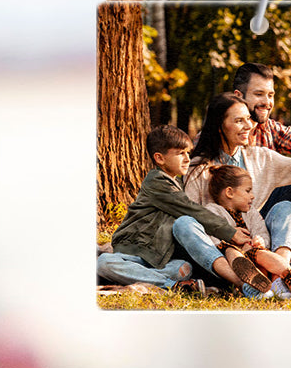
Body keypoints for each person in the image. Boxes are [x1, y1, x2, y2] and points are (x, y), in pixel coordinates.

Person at [98, 124, 272, 296]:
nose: (187, 159)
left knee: (183, 267)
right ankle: (174, 285)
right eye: (180, 153)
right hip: (136, 253)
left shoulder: (177, 184)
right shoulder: (156, 181)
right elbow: (191, 209)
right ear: (159, 158)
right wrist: (230, 232)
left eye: (188, 153)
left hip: (161, 258)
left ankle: (161, 280)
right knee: (104, 263)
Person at [184, 93, 291, 272]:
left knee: (285, 208)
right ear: (219, 126)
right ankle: (275, 272)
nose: (248, 126)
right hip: (221, 248)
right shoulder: (198, 168)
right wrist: (229, 235)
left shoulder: (260, 157)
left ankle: (279, 275)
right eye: (239, 121)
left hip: (258, 239)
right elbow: (194, 217)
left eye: (248, 119)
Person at [231, 63, 291, 267]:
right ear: (239, 96)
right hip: (235, 217)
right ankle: (287, 259)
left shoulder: (269, 128)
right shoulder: (220, 131)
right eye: (259, 94)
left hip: (266, 206)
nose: (267, 102)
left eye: (270, 95)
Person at [203, 164, 291, 301]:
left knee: (261, 254)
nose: (252, 196)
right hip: (233, 258)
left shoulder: (250, 213)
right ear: (229, 192)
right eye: (248, 191)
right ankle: (275, 284)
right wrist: (235, 242)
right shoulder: (212, 211)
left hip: (254, 253)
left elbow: (261, 231)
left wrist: (260, 240)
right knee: (251, 257)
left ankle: (285, 282)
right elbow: (212, 237)